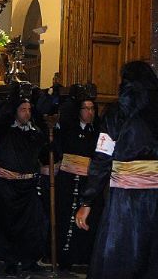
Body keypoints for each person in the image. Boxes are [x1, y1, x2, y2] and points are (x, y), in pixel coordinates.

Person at [76, 61, 158, 279]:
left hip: (125, 199)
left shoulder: (117, 112)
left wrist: (87, 201)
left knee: (121, 251)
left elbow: (102, 159)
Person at [0, 98, 48, 275]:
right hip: (8, 185)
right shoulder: (6, 130)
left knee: (32, 225)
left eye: (29, 109)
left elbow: (42, 153)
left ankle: (29, 260)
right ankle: (11, 261)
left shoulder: (35, 132)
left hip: (28, 184)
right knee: (9, 224)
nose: (27, 113)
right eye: (23, 109)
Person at [55, 96, 102, 272]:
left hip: (88, 181)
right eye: (86, 108)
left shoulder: (97, 131)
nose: (90, 112)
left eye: (92, 109)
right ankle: (64, 257)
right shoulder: (69, 130)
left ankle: (85, 256)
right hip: (68, 180)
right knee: (67, 215)